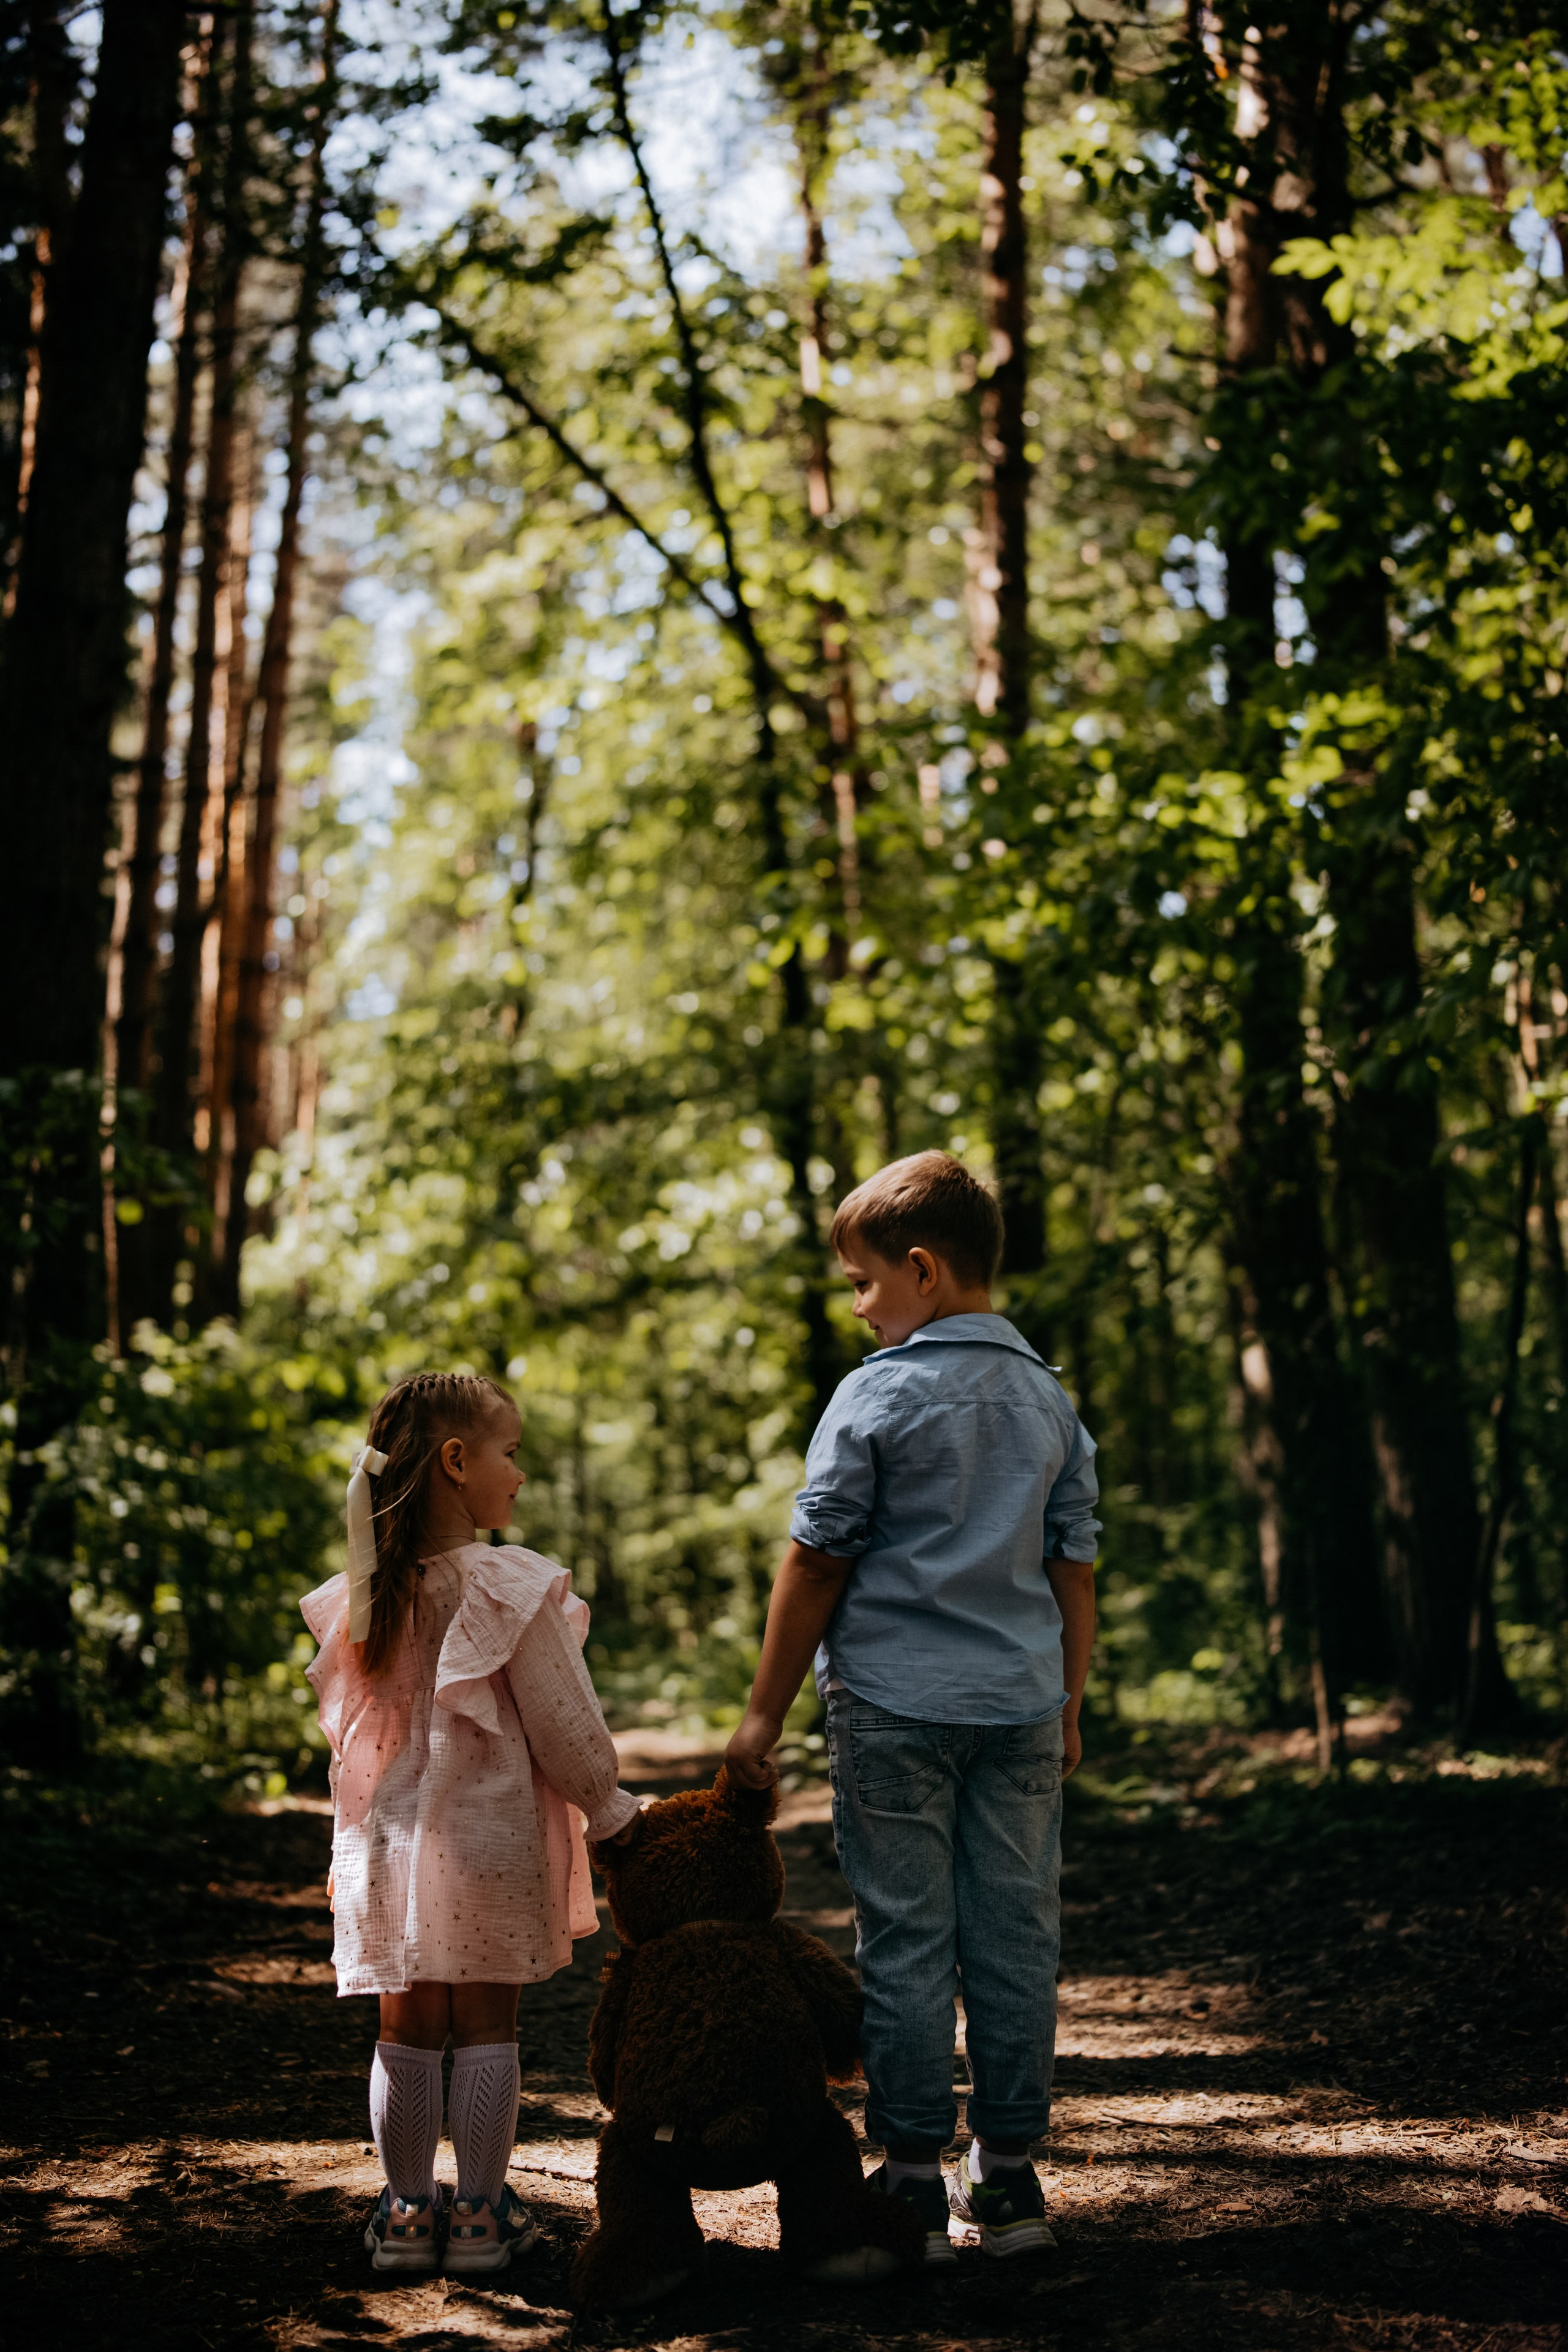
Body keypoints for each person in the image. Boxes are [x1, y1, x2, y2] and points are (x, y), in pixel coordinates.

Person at [725, 1152, 1099, 2266]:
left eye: (862, 1282)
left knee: (904, 1940)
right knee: (1016, 1937)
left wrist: (762, 1716)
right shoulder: (1050, 1400)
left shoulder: (875, 1393)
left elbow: (817, 1559)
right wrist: (1070, 1704)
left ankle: (909, 2184)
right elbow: (1073, 1565)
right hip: (1022, 1705)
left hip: (893, 1707)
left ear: (923, 1271)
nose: (858, 1306)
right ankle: (1014, 2180)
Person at [301, 1371, 641, 2278]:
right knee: (489, 2022)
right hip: (488, 1845)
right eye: (511, 1453)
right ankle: (484, 2220)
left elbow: (351, 1747)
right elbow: (565, 1726)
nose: (519, 1475)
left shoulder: (365, 1597)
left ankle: (409, 2219)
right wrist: (613, 1812)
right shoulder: (507, 1586)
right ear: (459, 1462)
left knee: (404, 2029)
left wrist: (347, 1851)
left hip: (390, 1850)